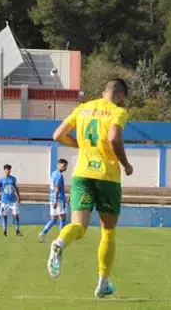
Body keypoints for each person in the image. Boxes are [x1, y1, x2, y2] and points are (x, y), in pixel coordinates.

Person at [46, 78, 133, 299]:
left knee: (78, 225)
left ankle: (60, 242)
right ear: (121, 95)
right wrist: (126, 164)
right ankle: (103, 283)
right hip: (107, 177)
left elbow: (57, 135)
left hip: (82, 174)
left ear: (103, 91)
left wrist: (80, 144)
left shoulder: (83, 108)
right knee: (108, 232)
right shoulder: (118, 112)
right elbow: (114, 138)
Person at [39, 158, 69, 243]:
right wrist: (56, 200)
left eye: (66, 166)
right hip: (58, 199)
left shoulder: (53, 173)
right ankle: (61, 238)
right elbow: (56, 188)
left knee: (53, 219)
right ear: (59, 165)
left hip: (52, 198)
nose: (65, 167)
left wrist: (54, 200)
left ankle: (43, 233)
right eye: (64, 166)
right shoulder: (59, 175)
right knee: (63, 218)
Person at [0, 164, 23, 237]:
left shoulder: (13, 179)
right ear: (4, 170)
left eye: (9, 169)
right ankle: (4, 230)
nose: (8, 171)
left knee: (16, 215)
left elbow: (16, 188)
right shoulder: (1, 180)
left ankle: (17, 230)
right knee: (5, 216)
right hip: (4, 201)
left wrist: (19, 197)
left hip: (13, 201)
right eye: (7, 169)